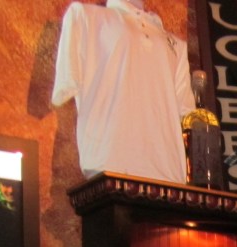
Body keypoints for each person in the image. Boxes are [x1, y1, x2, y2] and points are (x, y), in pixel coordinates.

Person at [51, 0, 195, 184]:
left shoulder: (177, 46)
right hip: (110, 168)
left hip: (169, 175)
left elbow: (186, 113)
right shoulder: (84, 17)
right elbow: (65, 86)